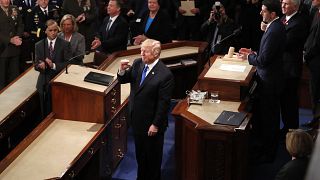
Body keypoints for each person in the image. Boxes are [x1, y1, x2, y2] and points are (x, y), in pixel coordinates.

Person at [117, 39, 174, 180]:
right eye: (141, 50)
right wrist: (122, 70)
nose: (141, 53)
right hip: (137, 121)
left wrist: (155, 124)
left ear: (155, 53)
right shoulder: (138, 63)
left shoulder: (165, 75)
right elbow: (124, 79)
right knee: (141, 157)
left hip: (152, 126)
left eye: (145, 51)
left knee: (153, 160)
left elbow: (163, 104)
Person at [239, 0, 286, 162]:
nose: (260, 13)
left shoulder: (274, 30)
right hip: (269, 78)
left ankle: (268, 153)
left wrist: (249, 57)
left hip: (270, 82)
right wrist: (253, 52)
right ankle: (265, 147)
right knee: (266, 117)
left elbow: (264, 60)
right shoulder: (274, 26)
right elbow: (266, 53)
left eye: (264, 11)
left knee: (270, 118)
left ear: (272, 14)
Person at [279, 0, 309, 136]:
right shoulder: (283, 19)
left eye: (286, 3)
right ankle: (286, 129)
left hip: (291, 70)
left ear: (295, 6)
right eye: (282, 3)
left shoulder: (299, 22)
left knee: (290, 102)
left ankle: (292, 132)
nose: (283, 6)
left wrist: (268, 30)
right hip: (281, 68)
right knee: (284, 102)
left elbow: (285, 43)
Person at [34, 19, 71, 118]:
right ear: (45, 31)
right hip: (43, 83)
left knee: (57, 112)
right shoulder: (39, 45)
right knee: (44, 114)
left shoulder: (65, 44)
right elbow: (36, 65)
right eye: (50, 30)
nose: (53, 32)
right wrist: (40, 66)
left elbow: (69, 64)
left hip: (59, 82)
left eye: (55, 30)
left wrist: (53, 65)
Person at [304, 0, 320, 127]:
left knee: (317, 92)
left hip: (317, 60)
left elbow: (317, 42)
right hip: (312, 60)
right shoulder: (316, 12)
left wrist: (306, 55)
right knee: (314, 92)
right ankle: (315, 119)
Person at [0, 0, 23, 90]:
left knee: (15, 77)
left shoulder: (15, 9)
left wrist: (17, 37)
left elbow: (21, 25)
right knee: (2, 78)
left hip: (15, 49)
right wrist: (10, 40)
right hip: (2, 50)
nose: (6, 1)